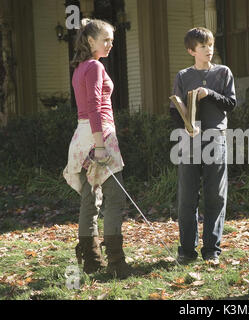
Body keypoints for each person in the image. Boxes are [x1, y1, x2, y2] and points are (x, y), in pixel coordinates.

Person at [63, 18, 132, 278]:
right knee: (115, 199)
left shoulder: (81, 67)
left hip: (81, 136)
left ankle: (91, 262)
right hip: (98, 135)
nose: (110, 44)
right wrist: (101, 146)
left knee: (89, 201)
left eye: (112, 39)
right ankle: (116, 263)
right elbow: (94, 106)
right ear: (90, 41)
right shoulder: (94, 66)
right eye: (106, 39)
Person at [169, 27, 236, 265]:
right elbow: (174, 111)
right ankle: (186, 251)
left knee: (215, 196)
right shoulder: (183, 76)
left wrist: (209, 93)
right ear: (191, 51)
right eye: (203, 46)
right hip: (188, 141)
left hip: (215, 138)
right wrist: (187, 127)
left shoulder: (223, 73)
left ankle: (212, 251)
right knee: (187, 197)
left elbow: (231, 103)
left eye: (211, 45)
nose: (209, 50)